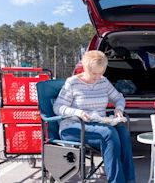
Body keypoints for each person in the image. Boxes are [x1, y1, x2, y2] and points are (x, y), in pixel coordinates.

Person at [53, 50, 135, 183]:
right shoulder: (72, 83)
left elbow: (119, 98)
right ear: (85, 68)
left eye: (101, 73)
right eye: (94, 73)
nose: (98, 77)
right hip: (74, 126)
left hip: (98, 124)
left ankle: (130, 180)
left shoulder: (103, 81)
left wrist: (118, 109)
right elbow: (57, 107)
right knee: (108, 133)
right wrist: (77, 112)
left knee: (123, 132)